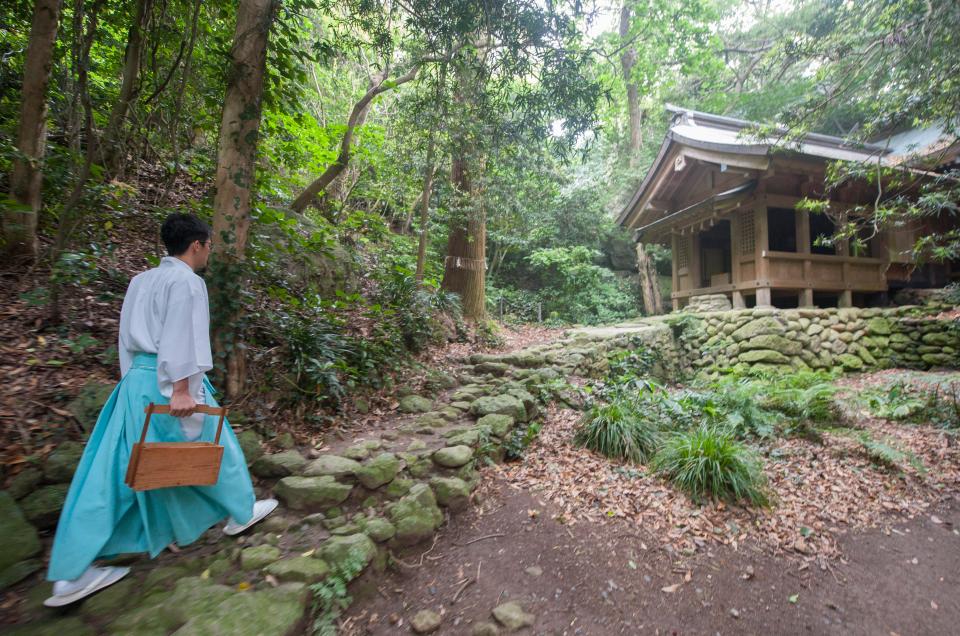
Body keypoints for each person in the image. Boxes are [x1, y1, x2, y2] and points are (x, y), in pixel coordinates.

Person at [44, 213, 277, 607]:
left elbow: (126, 339)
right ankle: (240, 512)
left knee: (113, 470)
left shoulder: (141, 281)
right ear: (197, 245)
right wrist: (182, 388)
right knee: (216, 446)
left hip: (136, 382)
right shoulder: (187, 282)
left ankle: (71, 571)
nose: (209, 252)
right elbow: (180, 335)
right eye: (209, 245)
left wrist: (134, 380)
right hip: (173, 384)